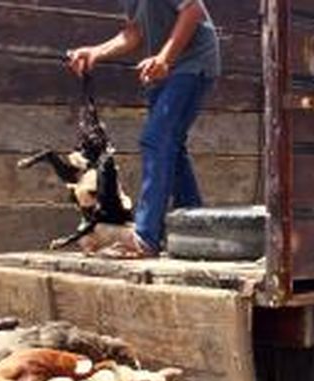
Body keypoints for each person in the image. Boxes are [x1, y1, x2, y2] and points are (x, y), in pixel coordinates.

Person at [69, 0, 220, 258]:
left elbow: (192, 10)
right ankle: (197, 232)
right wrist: (96, 52)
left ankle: (146, 237)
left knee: (157, 139)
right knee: (172, 147)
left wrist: (164, 58)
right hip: (163, 70)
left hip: (192, 63)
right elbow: (134, 32)